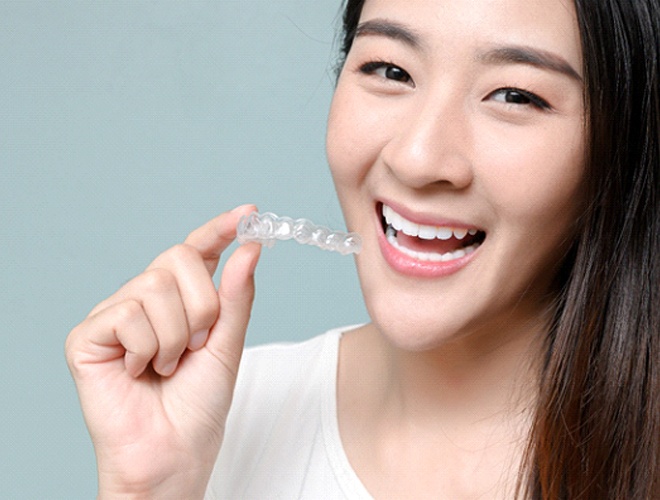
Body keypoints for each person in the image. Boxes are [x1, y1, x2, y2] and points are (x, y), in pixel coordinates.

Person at [65, 0, 659, 498]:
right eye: (391, 70)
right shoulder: (224, 415)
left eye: (515, 96)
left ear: (621, 146)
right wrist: (149, 491)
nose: (417, 158)